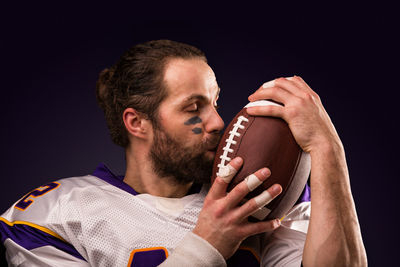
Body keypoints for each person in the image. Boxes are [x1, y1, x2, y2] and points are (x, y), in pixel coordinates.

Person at [0, 40, 367, 266]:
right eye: (194, 108)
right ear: (137, 122)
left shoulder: (260, 195)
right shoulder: (58, 214)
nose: (217, 122)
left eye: (215, 102)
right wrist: (207, 244)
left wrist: (326, 148)